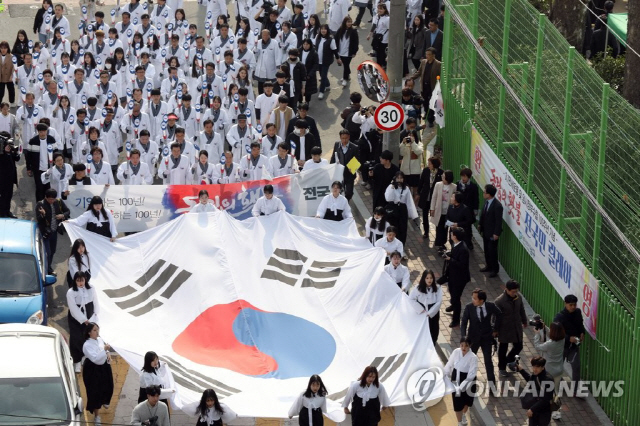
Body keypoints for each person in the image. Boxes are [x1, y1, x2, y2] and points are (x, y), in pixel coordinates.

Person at [461, 288, 502, 387]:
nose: (473, 300)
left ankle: (492, 386)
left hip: (486, 338)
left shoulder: (490, 306)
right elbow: (464, 322)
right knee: (470, 360)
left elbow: (499, 314)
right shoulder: (469, 307)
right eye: (472, 298)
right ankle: (469, 383)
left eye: (475, 298)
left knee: (488, 361)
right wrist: (464, 338)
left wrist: (495, 329)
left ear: (481, 300)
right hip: (473, 339)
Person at [553, 294, 586, 398]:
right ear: (565, 304)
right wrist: (568, 338)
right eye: (570, 305)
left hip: (574, 347)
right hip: (561, 346)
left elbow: (581, 325)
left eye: (574, 305)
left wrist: (582, 332)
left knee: (576, 367)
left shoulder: (578, 312)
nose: (573, 307)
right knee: (558, 368)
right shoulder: (559, 317)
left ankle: (575, 390)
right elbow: (555, 333)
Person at [532, 322, 566, 420]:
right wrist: (544, 329)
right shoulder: (562, 340)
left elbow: (538, 346)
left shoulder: (550, 344)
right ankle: (557, 412)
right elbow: (551, 337)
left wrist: (537, 334)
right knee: (556, 391)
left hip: (549, 371)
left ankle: (545, 409)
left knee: (546, 392)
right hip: (559, 370)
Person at [83, 322, 114, 426]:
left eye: (97, 329)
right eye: (94, 330)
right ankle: (97, 416)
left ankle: (105, 400)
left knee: (109, 385)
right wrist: (105, 350)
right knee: (94, 392)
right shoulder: (87, 345)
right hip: (93, 370)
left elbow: (103, 350)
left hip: (104, 367)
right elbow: (95, 359)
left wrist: (108, 353)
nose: (97, 332)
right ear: (89, 332)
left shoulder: (100, 339)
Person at [494, 280, 527, 378]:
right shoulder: (499, 301)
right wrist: (495, 330)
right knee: (503, 348)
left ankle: (508, 360)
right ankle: (502, 368)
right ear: (506, 290)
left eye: (516, 291)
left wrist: (524, 321)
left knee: (519, 346)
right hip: (504, 328)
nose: (515, 293)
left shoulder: (518, 298)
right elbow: (495, 318)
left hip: (516, 327)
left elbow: (521, 309)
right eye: (513, 291)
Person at [67, 272, 98, 373]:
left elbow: (96, 303)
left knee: (88, 337)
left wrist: (94, 316)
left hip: (89, 314)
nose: (80, 283)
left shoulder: (91, 288)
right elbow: (73, 308)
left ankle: (86, 356)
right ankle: (77, 360)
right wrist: (83, 319)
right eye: (78, 281)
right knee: (76, 338)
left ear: (85, 280)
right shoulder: (71, 292)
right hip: (76, 318)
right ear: (75, 281)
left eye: (82, 280)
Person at [443, 337, 478, 426]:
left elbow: (471, 374)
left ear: (470, 346)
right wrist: (444, 374)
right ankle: (459, 422)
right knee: (457, 401)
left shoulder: (473, 357)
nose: (463, 348)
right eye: (462, 345)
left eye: (466, 346)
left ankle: (463, 414)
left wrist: (462, 386)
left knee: (467, 402)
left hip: (468, 380)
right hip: (456, 378)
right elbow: (449, 364)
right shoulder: (456, 352)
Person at [36, 188, 70, 275]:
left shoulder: (58, 202)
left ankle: (48, 267)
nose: (52, 201)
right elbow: (39, 219)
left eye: (53, 199)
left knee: (53, 251)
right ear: (45, 197)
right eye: (50, 199)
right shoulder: (41, 204)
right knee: (47, 252)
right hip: (45, 232)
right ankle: (45, 270)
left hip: (54, 231)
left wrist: (62, 215)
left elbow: (67, 211)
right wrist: (43, 214)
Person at [443, 227, 470, 328]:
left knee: (456, 298)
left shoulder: (463, 249)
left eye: (452, 234)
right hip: (453, 275)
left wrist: (450, 259)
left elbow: (462, 265)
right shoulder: (456, 244)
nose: (450, 235)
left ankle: (456, 320)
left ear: (455, 236)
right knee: (452, 292)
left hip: (459, 278)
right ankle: (453, 304)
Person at [516, 357, 554, 426]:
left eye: (537, 367)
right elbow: (530, 381)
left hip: (543, 412)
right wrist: (521, 370)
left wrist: (532, 409)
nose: (534, 369)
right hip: (534, 409)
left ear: (543, 367)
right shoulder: (536, 374)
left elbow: (545, 399)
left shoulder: (548, 380)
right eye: (533, 366)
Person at [384, 171, 419, 245]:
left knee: (402, 228)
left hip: (402, 210)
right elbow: (388, 198)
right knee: (393, 227)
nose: (399, 180)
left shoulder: (406, 188)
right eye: (398, 178)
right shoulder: (391, 187)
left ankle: (401, 244)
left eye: (401, 178)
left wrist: (413, 214)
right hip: (393, 208)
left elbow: (409, 201)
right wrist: (392, 188)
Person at [26, 123, 59, 202]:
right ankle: (40, 206)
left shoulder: (51, 140)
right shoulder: (33, 141)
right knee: (39, 188)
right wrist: (29, 168)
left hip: (50, 168)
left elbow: (56, 153)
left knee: (49, 188)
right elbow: (28, 156)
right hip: (38, 169)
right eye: (40, 132)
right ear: (38, 132)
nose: (42, 133)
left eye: (44, 131)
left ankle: (49, 205)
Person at [409, 270, 443, 344]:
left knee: (433, 330)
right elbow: (411, 299)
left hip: (433, 313)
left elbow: (439, 302)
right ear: (424, 278)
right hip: (422, 312)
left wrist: (430, 313)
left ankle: (432, 344)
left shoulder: (438, 288)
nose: (429, 280)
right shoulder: (418, 288)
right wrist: (421, 310)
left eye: (431, 278)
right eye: (427, 278)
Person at [410, 48, 441, 128]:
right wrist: (412, 78)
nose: (427, 56)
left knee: (431, 104)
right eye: (426, 54)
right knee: (425, 103)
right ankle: (427, 114)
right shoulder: (423, 62)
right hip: (424, 86)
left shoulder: (438, 64)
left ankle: (430, 120)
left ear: (433, 55)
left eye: (429, 54)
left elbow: (440, 77)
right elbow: (419, 72)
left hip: (432, 88)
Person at [479, 184, 503, 277]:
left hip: (492, 233)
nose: (483, 194)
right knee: (486, 250)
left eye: (485, 192)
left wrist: (496, 233)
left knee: (492, 251)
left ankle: (494, 269)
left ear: (489, 194)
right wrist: (480, 224)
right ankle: (488, 266)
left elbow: (498, 221)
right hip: (485, 231)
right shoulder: (487, 202)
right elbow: (483, 214)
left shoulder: (497, 206)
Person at [330, 129, 360, 201]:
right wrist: (331, 167)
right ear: (340, 138)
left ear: (349, 137)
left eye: (346, 138)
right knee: (340, 190)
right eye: (343, 138)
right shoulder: (337, 144)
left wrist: (353, 168)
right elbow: (334, 156)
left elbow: (357, 159)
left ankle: (346, 201)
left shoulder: (354, 147)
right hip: (339, 173)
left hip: (349, 174)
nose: (344, 140)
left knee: (349, 192)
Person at [417, 157, 443, 239]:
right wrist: (418, 192)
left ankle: (437, 233)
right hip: (426, 195)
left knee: (435, 215)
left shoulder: (441, 173)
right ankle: (426, 231)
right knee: (424, 214)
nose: (428, 165)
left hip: (435, 197)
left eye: (430, 163)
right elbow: (421, 182)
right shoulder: (425, 171)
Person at [430, 170, 456, 251]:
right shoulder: (438, 185)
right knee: (439, 226)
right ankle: (439, 243)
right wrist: (432, 208)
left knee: (446, 228)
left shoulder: (454, 187)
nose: (442, 178)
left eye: (444, 177)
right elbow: (434, 197)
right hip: (439, 210)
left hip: (448, 211)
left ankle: (443, 242)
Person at [398, 120, 423, 195]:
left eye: (412, 136)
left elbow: (418, 151)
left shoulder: (419, 144)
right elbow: (401, 152)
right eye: (409, 136)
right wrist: (403, 143)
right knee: (406, 190)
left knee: (415, 191)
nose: (410, 137)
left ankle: (415, 204)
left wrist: (413, 143)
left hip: (415, 171)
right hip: (405, 171)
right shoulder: (405, 144)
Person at [0, 131, 20, 217]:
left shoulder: (10, 147)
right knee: (3, 196)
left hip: (10, 176)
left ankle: (7, 211)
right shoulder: (1, 150)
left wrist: (15, 152)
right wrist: (6, 153)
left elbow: (17, 158)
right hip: (2, 177)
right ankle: (2, 212)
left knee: (9, 195)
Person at [334, 17, 359, 87]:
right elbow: (336, 38)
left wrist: (354, 52)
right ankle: (347, 74)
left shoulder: (353, 31)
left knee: (346, 64)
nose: (349, 23)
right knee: (345, 65)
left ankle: (345, 78)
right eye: (348, 22)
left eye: (350, 22)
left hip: (349, 52)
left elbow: (356, 42)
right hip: (341, 51)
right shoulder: (340, 30)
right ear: (345, 22)